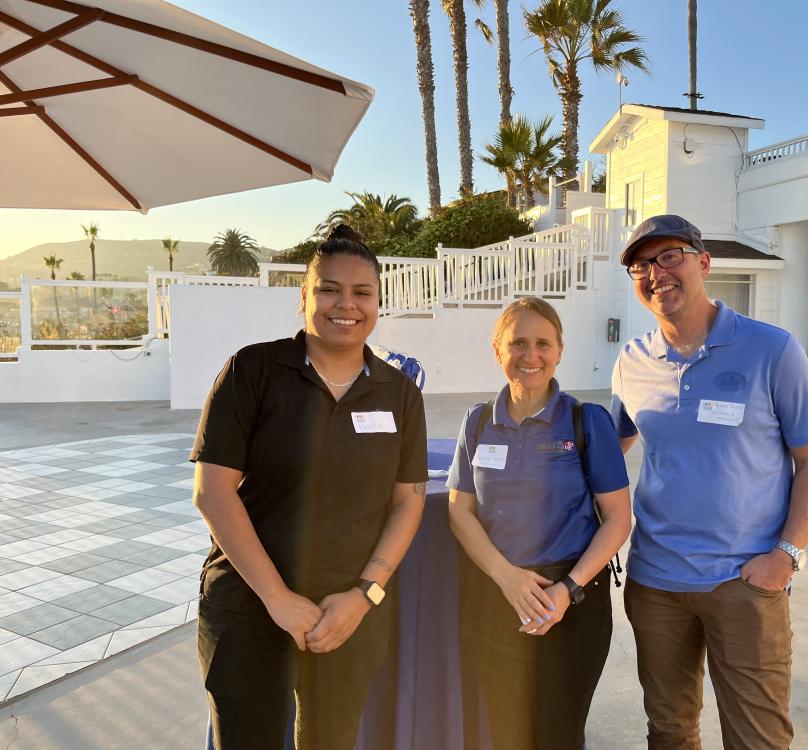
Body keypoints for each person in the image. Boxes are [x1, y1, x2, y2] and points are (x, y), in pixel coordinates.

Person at [191, 225, 428, 750]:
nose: (346, 304)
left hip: (347, 616)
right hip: (250, 607)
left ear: (378, 303)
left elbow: (408, 500)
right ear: (305, 297)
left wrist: (365, 595)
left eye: (362, 292)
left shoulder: (400, 392)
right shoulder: (253, 370)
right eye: (329, 289)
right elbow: (213, 492)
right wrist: (279, 599)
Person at [610, 215, 808, 749]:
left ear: (703, 262)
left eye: (670, 256)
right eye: (641, 264)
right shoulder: (632, 361)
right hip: (656, 582)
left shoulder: (772, 350)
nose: (655, 273)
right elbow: (608, 454)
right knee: (668, 731)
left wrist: (786, 554)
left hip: (744, 581)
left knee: (757, 737)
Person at [447, 297, 632, 750]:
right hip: (495, 599)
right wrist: (506, 577)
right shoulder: (477, 423)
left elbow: (617, 520)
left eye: (543, 344)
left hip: (571, 603)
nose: (531, 356)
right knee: (505, 731)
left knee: (557, 733)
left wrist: (564, 591)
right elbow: (459, 511)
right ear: (498, 350)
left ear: (560, 350)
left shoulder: (586, 421)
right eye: (518, 343)